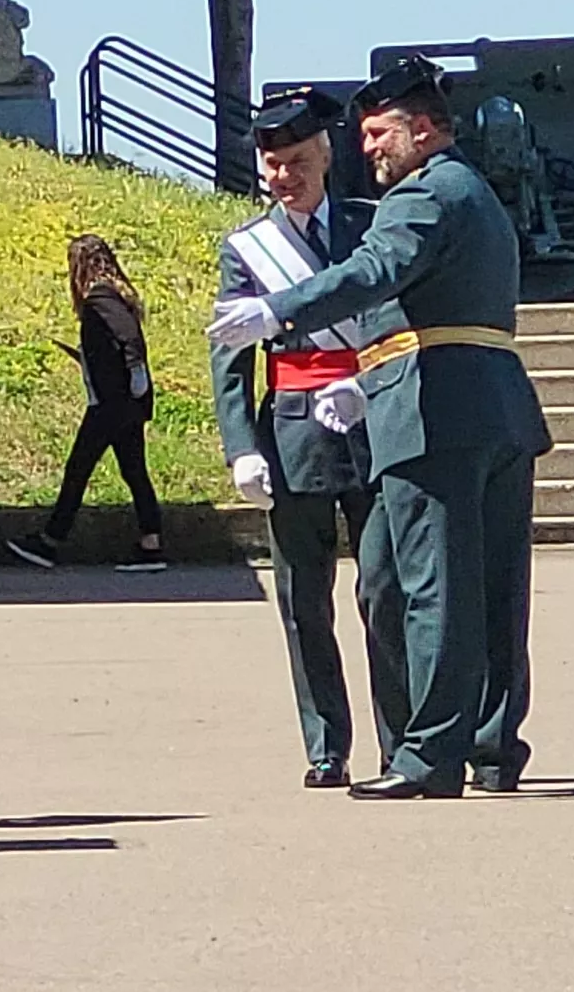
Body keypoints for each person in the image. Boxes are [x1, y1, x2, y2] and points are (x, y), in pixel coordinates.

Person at [208, 55, 553, 799]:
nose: (370, 148)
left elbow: (372, 273)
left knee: (431, 588)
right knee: (494, 589)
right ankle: (493, 747)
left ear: (423, 129)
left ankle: (428, 756)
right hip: (493, 402)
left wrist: (278, 311)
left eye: (379, 133)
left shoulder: (419, 196)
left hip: (431, 409)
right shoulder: (477, 194)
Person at [213, 86, 401, 790]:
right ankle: (327, 744)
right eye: (271, 166)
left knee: (384, 587)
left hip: (371, 415)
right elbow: (230, 355)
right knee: (304, 599)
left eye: (295, 160)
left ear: (324, 156)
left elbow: (391, 318)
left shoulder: (371, 225)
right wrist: (242, 446)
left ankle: (402, 740)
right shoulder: (248, 249)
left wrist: (367, 386)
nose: (283, 176)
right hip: (293, 430)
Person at [9, 235, 165, 572]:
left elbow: (128, 337)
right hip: (126, 403)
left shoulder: (99, 297)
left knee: (78, 468)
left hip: (112, 404)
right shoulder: (115, 294)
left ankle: (51, 541)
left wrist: (137, 372)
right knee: (134, 470)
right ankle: (151, 544)